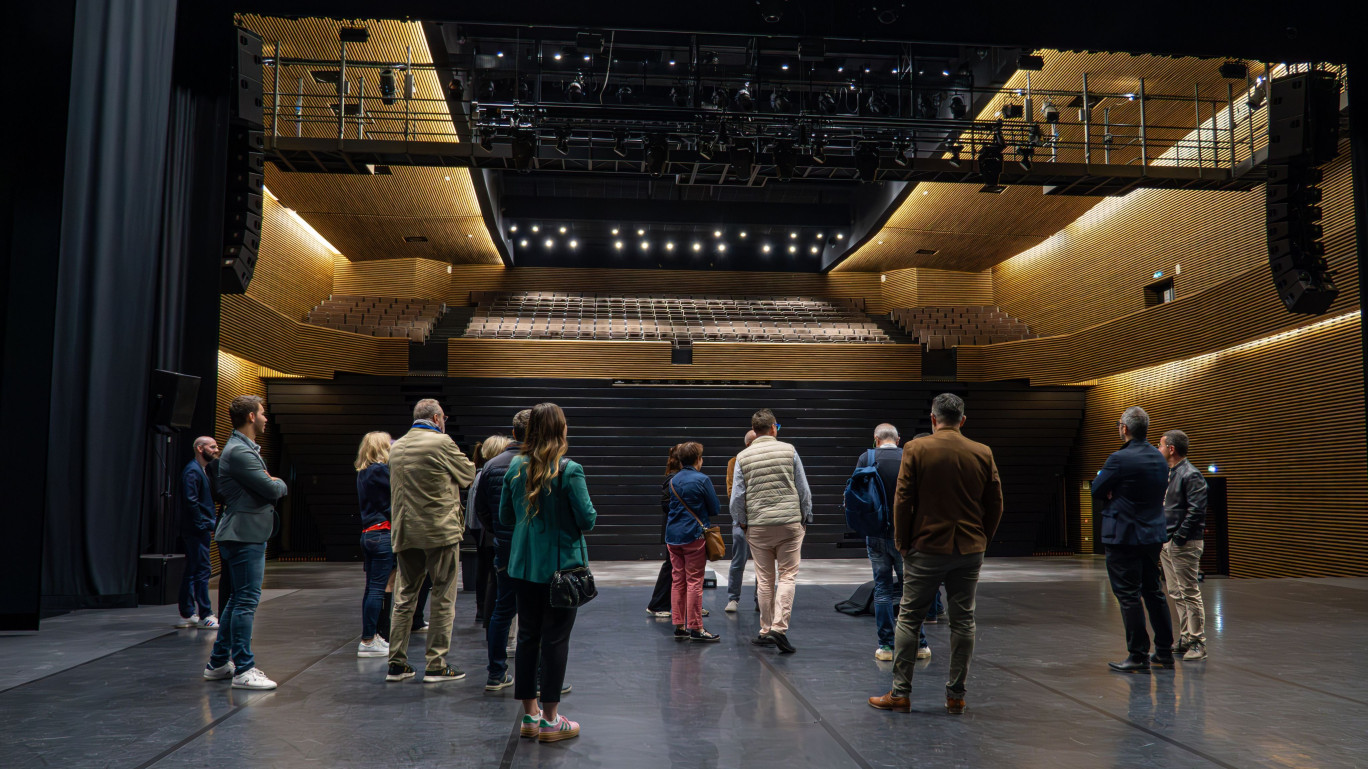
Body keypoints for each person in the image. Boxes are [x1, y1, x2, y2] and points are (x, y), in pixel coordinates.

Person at [869, 393, 1002, 716]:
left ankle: (900, 693)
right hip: (969, 549)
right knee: (963, 622)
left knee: (910, 619)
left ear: (933, 419)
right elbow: (996, 503)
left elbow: (902, 501)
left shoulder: (916, 449)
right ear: (963, 420)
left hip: (925, 547)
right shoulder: (982, 452)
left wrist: (902, 542)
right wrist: (982, 537)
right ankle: (956, 695)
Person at [499, 402, 597, 743]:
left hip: (522, 566)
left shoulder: (515, 465)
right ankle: (552, 721)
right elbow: (588, 520)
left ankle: (530, 715)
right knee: (555, 641)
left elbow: (506, 518)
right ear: (560, 429)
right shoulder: (570, 469)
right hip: (561, 570)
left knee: (527, 637)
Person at [384, 398, 477, 684]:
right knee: (442, 596)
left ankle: (396, 664)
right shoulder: (442, 442)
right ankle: (436, 664)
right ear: (437, 418)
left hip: (405, 531)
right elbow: (468, 474)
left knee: (404, 596)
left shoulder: (396, 446)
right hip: (439, 532)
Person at [203, 395, 288, 691]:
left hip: (244, 534)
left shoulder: (244, 449)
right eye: (263, 413)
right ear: (251, 417)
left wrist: (270, 481)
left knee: (236, 600)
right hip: (244, 535)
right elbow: (272, 488)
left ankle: (217, 663)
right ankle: (244, 668)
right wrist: (276, 482)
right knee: (246, 602)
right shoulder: (240, 451)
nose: (266, 418)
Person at [1093, 406, 1175, 674]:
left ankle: (1137, 654)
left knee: (1128, 595)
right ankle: (1164, 652)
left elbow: (1097, 489)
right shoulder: (1159, 458)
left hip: (1124, 535)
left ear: (1124, 429)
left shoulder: (1118, 459)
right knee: (1153, 592)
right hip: (1152, 535)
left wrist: (1113, 493)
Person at [730, 409, 811, 654]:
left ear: (754, 430)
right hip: (789, 524)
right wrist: (805, 517)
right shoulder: (789, 450)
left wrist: (742, 523)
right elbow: (803, 489)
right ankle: (779, 629)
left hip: (758, 526)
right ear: (774, 427)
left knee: (765, 580)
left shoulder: (743, 456)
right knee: (787, 576)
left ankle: (765, 630)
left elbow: (737, 498)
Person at [853, 424, 929, 662]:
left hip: (875, 534)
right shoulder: (910, 456)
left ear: (876, 439)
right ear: (898, 440)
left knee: (883, 590)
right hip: (906, 536)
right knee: (911, 591)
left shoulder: (867, 457)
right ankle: (919, 645)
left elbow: (857, 496)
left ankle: (886, 646)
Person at [479, 411, 528, 691]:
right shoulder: (542, 464)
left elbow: (483, 511)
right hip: (534, 551)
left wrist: (500, 531)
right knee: (538, 613)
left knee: (502, 610)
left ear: (513, 430)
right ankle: (538, 676)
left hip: (505, 548)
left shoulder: (491, 465)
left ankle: (496, 674)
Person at [1158, 429, 1208, 661]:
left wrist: (1178, 537)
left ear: (1171, 449)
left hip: (1183, 542)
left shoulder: (1191, 474)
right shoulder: (1171, 473)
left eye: (1160, 445)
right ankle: (1186, 637)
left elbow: (1197, 510)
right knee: (1177, 593)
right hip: (1169, 541)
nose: (1158, 450)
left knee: (1189, 592)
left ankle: (1198, 642)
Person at [666, 442, 721, 642]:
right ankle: (697, 627)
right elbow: (715, 508)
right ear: (698, 459)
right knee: (694, 582)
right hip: (694, 537)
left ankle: (679, 626)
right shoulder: (702, 479)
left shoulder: (672, 480)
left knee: (677, 580)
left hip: (672, 537)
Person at [355, 431, 394, 659]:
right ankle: (369, 639)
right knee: (378, 589)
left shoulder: (363, 472)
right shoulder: (379, 471)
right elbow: (391, 500)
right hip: (382, 533)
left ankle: (371, 637)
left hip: (369, 533)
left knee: (372, 588)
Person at [177, 436, 220, 629]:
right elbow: (191, 502)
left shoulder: (200, 470)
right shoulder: (192, 471)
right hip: (196, 529)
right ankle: (206, 614)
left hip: (197, 527)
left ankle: (187, 612)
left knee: (193, 569)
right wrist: (202, 524)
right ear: (200, 448)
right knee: (202, 569)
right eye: (212, 447)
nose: (216, 450)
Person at [468, 438, 506, 626]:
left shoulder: (481, 473)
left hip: (481, 529)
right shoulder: (486, 474)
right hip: (486, 531)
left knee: (485, 570)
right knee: (489, 573)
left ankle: (483, 611)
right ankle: (484, 612)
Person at [647, 447, 684, 618]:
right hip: (675, 531)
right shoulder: (673, 479)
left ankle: (687, 605)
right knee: (671, 567)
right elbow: (666, 505)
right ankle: (657, 605)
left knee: (679, 568)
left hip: (677, 529)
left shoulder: (676, 477)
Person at [723, 430, 757, 613]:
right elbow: (732, 492)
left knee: (763, 562)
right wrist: (742, 519)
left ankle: (761, 599)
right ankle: (733, 598)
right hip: (742, 520)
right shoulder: (734, 462)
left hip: (759, 518)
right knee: (738, 560)